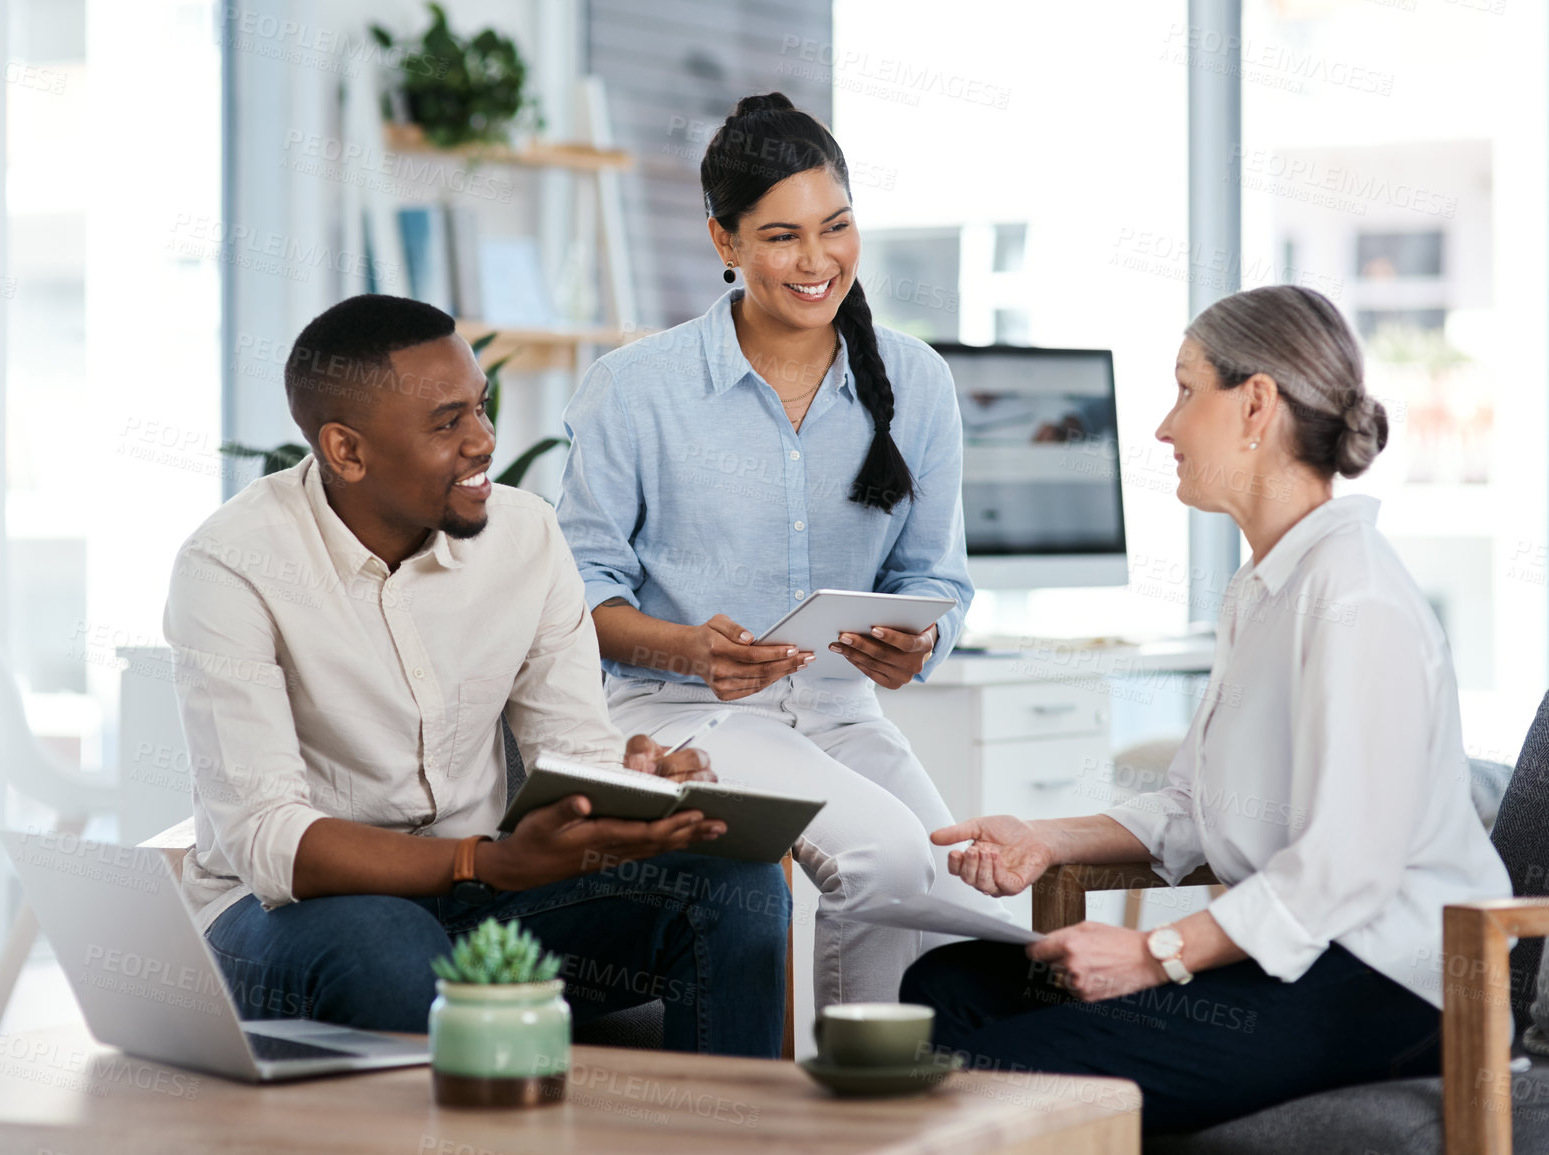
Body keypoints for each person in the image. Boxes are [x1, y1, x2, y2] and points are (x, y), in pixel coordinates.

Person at [900, 285, 1513, 1132]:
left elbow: (1346, 866)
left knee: (997, 1068)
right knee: (944, 986)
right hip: (1290, 956)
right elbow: (1190, 805)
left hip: (1384, 982)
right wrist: (1048, 839)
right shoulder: (1260, 587)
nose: (1163, 426)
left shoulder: (1354, 596)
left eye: (1185, 390)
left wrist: (1153, 953)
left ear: (1254, 403)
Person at [162, 294, 790, 1057]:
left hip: (485, 896)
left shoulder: (525, 536)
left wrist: (625, 796)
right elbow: (267, 840)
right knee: (387, 941)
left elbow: (573, 748)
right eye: (446, 422)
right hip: (289, 916)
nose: (484, 441)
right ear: (346, 450)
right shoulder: (232, 565)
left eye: (481, 408)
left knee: (733, 887)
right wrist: (480, 860)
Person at [554, 92, 1001, 1012]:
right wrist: (687, 648)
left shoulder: (916, 382)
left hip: (843, 712)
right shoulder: (635, 389)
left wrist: (920, 638)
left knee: (955, 889)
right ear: (724, 242)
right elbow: (575, 599)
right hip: (684, 714)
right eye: (780, 236)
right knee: (883, 853)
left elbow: (935, 576)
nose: (816, 261)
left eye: (835, 227)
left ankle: (865, 1120)